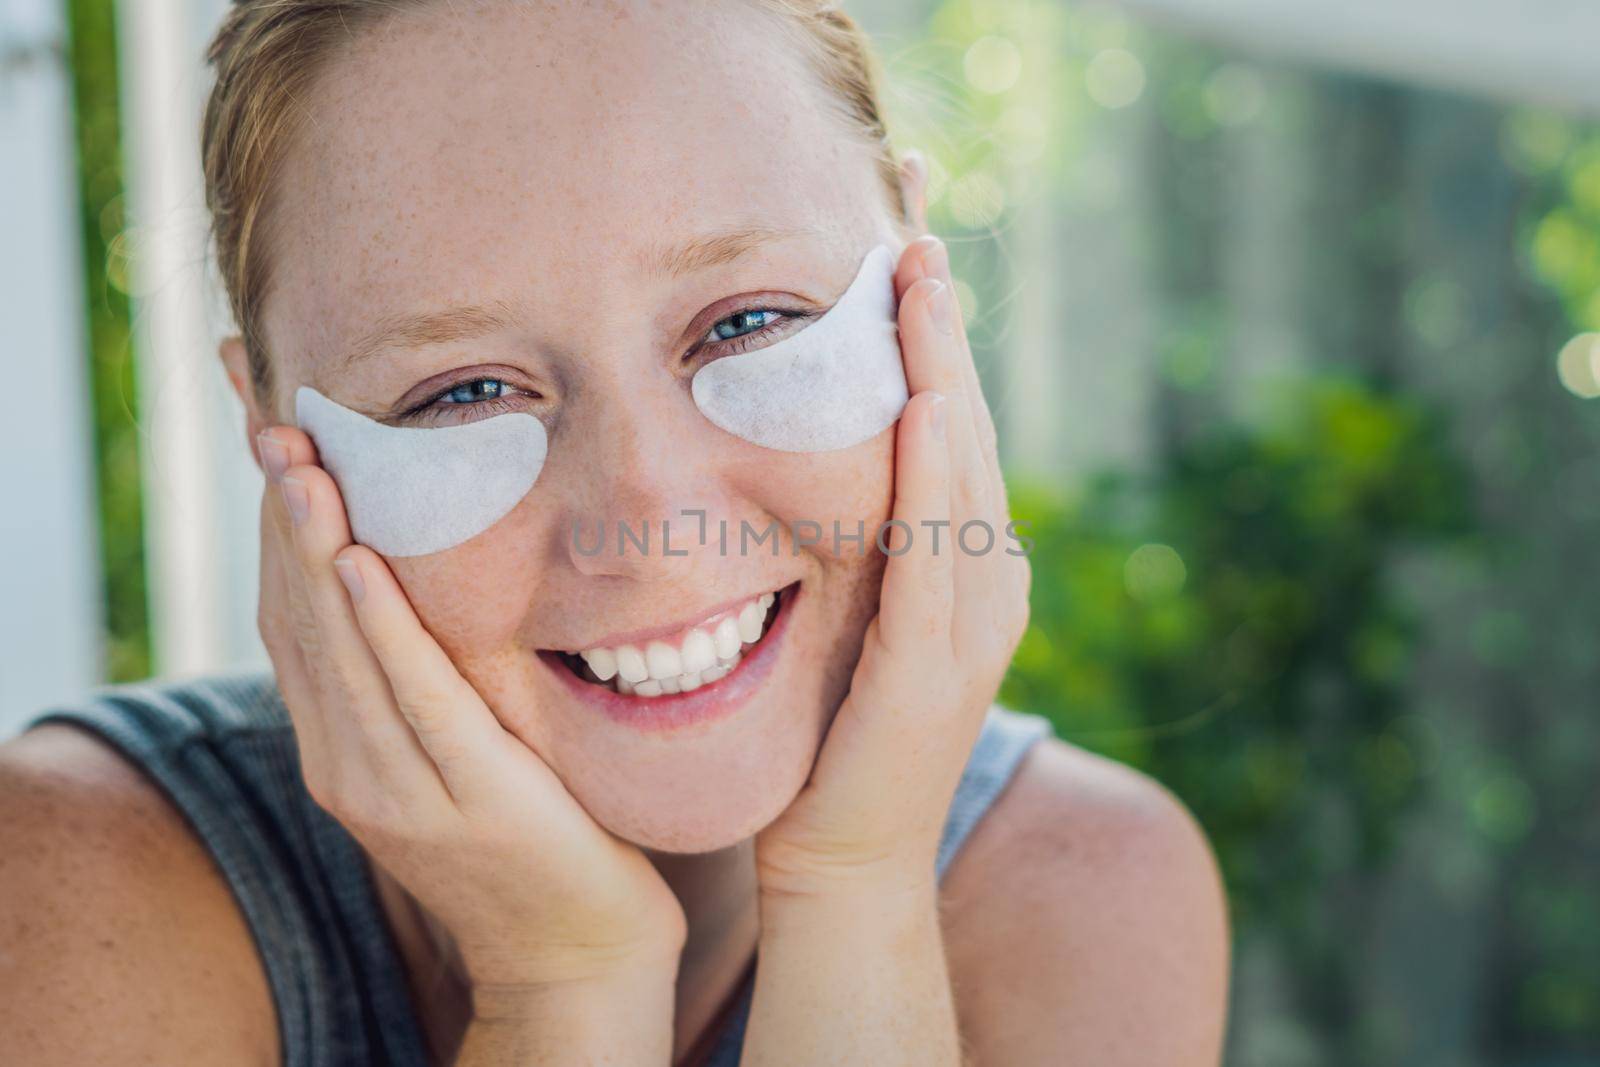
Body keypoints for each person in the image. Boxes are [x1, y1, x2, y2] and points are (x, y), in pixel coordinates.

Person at [0, 2, 1229, 1063]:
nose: (648, 519)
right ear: (270, 426)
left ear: (921, 276)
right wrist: (561, 988)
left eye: (747, 320)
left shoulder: (1091, 892)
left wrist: (857, 892)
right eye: (463, 392)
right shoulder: (68, 890)